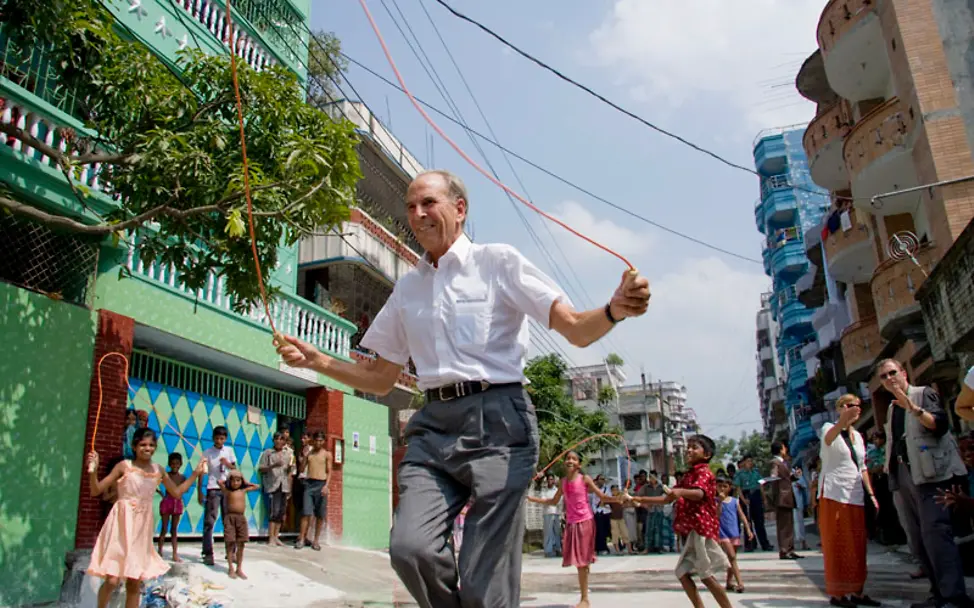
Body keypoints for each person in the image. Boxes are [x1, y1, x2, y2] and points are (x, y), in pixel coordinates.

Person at [276, 169, 650, 607]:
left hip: (501, 423)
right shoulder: (408, 288)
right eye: (410, 207)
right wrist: (317, 361)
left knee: (482, 582)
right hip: (433, 427)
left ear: (459, 209)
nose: (417, 214)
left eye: (428, 203)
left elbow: (575, 329)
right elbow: (380, 377)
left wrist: (614, 309)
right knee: (410, 549)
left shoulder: (498, 262)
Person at [878, 358, 971, 608]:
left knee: (936, 536)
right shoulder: (892, 408)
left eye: (892, 373)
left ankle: (954, 597)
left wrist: (913, 407)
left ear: (904, 373)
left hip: (931, 475)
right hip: (903, 476)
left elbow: (939, 426)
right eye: (883, 377)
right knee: (917, 540)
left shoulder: (923, 394)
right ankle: (937, 594)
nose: (889, 379)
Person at [86, 429, 203, 608]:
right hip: (120, 525)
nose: (147, 448)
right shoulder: (124, 466)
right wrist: (93, 471)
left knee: (134, 581)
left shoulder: (158, 470)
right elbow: (96, 490)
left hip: (141, 529)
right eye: (142, 445)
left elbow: (176, 493)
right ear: (134, 446)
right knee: (112, 580)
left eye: (151, 445)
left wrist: (195, 473)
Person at [629, 435, 733, 608]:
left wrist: (681, 492)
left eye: (694, 447)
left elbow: (699, 493)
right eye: (688, 447)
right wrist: (638, 499)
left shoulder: (704, 473)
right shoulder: (688, 476)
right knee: (683, 573)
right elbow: (667, 499)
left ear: (707, 454)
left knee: (706, 575)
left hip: (703, 530)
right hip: (694, 531)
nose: (689, 450)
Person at [528, 451, 624, 608]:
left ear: (579, 464)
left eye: (574, 459)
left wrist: (618, 498)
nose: (570, 461)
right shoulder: (563, 482)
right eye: (568, 458)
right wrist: (532, 499)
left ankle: (585, 599)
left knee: (582, 562)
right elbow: (553, 501)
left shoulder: (585, 479)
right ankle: (585, 591)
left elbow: (602, 497)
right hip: (571, 524)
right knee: (581, 562)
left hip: (585, 521)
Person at [818, 394, 882, 608]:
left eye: (859, 406)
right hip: (834, 492)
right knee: (837, 543)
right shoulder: (829, 428)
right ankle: (838, 594)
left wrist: (871, 494)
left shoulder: (859, 437)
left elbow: (862, 467)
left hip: (855, 494)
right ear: (841, 407)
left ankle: (857, 590)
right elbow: (829, 439)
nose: (857, 409)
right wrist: (843, 420)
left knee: (857, 544)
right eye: (851, 406)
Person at [199, 425, 236, 566]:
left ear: (225, 439)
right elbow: (202, 472)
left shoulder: (229, 451)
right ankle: (207, 552)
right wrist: (199, 491)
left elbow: (234, 468)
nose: (219, 441)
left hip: (226, 488)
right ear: (213, 438)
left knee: (229, 521)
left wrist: (227, 463)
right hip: (213, 488)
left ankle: (231, 552)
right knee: (209, 521)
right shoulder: (207, 453)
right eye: (217, 438)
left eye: (222, 438)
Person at [218, 470, 261, 579]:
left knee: (241, 544)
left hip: (241, 519)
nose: (236, 483)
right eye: (233, 481)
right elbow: (219, 482)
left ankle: (239, 568)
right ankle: (230, 568)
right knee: (230, 542)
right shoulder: (227, 491)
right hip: (230, 518)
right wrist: (229, 478)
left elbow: (257, 486)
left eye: (238, 480)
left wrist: (245, 481)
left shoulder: (243, 490)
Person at [717, 475, 753, 593]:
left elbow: (742, 516)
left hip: (734, 533)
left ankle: (729, 582)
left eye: (725, 486)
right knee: (732, 557)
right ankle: (740, 583)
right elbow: (717, 515)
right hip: (723, 533)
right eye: (720, 486)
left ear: (729, 487)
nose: (722, 489)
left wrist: (748, 529)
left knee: (732, 559)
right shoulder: (715, 501)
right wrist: (720, 502)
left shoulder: (734, 501)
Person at [298, 431, 332, 551]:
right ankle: (301, 539)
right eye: (316, 440)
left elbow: (329, 471)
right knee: (306, 513)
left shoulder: (327, 454)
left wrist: (326, 486)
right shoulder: (310, 453)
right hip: (309, 484)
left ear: (324, 441)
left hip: (321, 484)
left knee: (320, 515)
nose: (318, 443)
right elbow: (301, 469)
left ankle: (316, 540)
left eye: (321, 440)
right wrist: (304, 457)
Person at [769, 441, 802, 560]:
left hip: (787, 496)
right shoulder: (775, 462)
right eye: (784, 448)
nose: (786, 450)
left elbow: (785, 479)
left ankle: (790, 549)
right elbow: (774, 476)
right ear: (780, 450)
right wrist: (773, 477)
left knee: (789, 525)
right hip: (782, 497)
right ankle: (784, 550)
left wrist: (795, 476)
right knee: (783, 526)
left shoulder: (783, 462)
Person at [157, 452, 193, 562]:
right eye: (172, 464)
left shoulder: (182, 477)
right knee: (164, 529)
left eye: (177, 463)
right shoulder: (166, 475)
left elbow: (186, 489)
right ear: (169, 464)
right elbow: (155, 483)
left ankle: (174, 554)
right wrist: (161, 494)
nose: (175, 466)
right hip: (167, 502)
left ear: (181, 464)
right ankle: (159, 552)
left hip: (177, 503)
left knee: (174, 530)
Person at [258, 431, 291, 547]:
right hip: (273, 485)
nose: (279, 441)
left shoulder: (287, 454)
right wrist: (273, 466)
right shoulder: (268, 453)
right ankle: (271, 537)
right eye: (276, 439)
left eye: (281, 439)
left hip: (284, 485)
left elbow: (290, 471)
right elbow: (261, 469)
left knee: (281, 512)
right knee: (273, 511)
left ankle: (276, 536)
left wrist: (289, 487)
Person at [734, 454, 772, 552]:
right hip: (746, 496)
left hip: (756, 496)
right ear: (743, 463)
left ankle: (765, 544)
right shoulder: (739, 474)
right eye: (748, 461)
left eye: (751, 461)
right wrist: (743, 500)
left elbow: (761, 485)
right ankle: (749, 545)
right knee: (748, 522)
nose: (750, 463)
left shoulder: (756, 472)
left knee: (759, 522)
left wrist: (764, 498)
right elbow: (738, 488)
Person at [640, 473, 666, 553]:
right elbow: (638, 495)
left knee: (659, 529)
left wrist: (663, 502)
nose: (652, 479)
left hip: (659, 509)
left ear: (656, 477)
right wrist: (644, 504)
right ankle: (647, 548)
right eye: (650, 477)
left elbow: (670, 494)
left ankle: (659, 548)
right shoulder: (646, 487)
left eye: (653, 477)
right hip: (650, 510)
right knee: (649, 530)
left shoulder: (661, 486)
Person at [540, 473, 562, 558]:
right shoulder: (544, 490)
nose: (550, 481)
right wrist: (552, 501)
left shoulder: (557, 490)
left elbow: (559, 501)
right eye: (549, 479)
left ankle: (557, 549)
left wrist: (551, 501)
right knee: (548, 532)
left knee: (557, 532)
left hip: (556, 512)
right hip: (547, 513)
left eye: (552, 479)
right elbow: (543, 500)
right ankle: (548, 550)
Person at [609, 485, 633, 554]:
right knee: (615, 535)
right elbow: (602, 504)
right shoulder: (610, 498)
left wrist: (625, 493)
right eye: (614, 490)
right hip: (613, 519)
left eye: (617, 490)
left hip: (621, 518)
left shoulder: (621, 497)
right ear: (611, 491)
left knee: (625, 533)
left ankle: (630, 550)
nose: (615, 491)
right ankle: (617, 551)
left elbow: (628, 502)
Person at [793, 466, 809, 551]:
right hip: (787, 501)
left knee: (800, 522)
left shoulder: (796, 472)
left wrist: (798, 484)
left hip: (797, 501)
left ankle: (803, 542)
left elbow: (803, 485)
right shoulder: (780, 472)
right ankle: (790, 546)